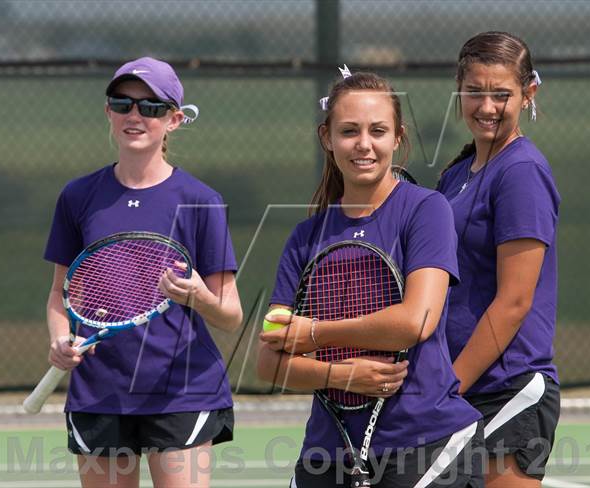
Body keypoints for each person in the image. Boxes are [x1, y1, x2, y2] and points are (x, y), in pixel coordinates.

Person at [257, 69, 484, 488]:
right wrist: (339, 375)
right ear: (327, 138)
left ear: (397, 138)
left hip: (425, 444)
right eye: (349, 131)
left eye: (377, 131)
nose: (364, 144)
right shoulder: (305, 238)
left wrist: (314, 333)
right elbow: (268, 362)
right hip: (327, 452)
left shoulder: (427, 210)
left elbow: (416, 321)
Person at [44, 57, 243, 488]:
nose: (134, 115)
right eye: (123, 104)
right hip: (99, 394)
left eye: (151, 107)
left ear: (174, 119)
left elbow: (231, 316)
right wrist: (60, 340)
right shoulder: (78, 197)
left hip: (183, 393)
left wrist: (198, 297)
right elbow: (61, 294)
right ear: (108, 111)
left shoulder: (201, 200)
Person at [436, 32, 561, 487]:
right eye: (475, 92)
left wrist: (448, 387)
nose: (486, 106)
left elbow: (514, 301)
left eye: (501, 94)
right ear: (459, 91)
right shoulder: (457, 173)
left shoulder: (521, 172)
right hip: (462, 389)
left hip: (506, 389)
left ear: (529, 93)